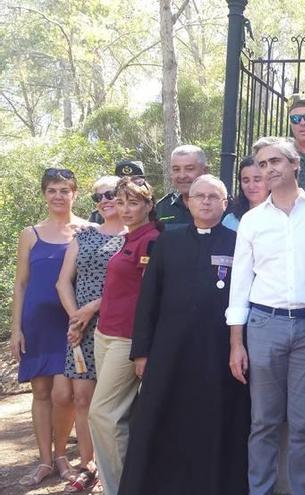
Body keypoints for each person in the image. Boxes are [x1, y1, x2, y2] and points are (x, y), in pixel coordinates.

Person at [119, 175, 249, 495]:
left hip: (217, 353)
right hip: (169, 353)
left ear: (225, 202)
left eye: (212, 197)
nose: (205, 201)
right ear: (188, 202)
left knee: (215, 424)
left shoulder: (239, 243)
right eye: (199, 196)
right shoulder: (167, 242)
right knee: (160, 423)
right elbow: (148, 298)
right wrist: (142, 352)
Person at [226, 137, 305, 495]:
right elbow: (239, 283)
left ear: (295, 164)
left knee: (303, 425)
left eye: (275, 161)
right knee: (264, 422)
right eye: (263, 164)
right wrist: (236, 343)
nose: (269, 169)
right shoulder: (252, 222)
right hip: (263, 325)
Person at [10, 168, 88, 487]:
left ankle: (61, 456)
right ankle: (44, 461)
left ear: (74, 193)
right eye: (52, 190)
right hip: (37, 323)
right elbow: (21, 283)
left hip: (71, 324)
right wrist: (16, 329)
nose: (58, 196)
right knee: (40, 392)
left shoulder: (87, 229)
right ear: (44, 194)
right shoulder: (31, 233)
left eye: (64, 190)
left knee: (65, 393)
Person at [88, 176, 161, 495]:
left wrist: (143, 348)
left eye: (134, 202)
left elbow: (152, 298)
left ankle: (122, 488)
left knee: (102, 414)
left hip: (127, 339)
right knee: (119, 416)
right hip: (104, 334)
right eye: (121, 202)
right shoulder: (127, 238)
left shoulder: (151, 240)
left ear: (149, 205)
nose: (126, 209)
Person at [55, 175, 126, 493]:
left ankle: (118, 465)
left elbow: (132, 286)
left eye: (112, 194)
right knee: (82, 397)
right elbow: (62, 282)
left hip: (117, 327)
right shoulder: (82, 236)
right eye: (99, 197)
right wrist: (75, 318)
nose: (106, 200)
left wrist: (89, 310)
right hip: (79, 330)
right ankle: (88, 464)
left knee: (114, 404)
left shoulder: (134, 235)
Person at [155, 144, 209, 229]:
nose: (182, 176)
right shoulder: (162, 208)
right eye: (176, 169)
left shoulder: (221, 207)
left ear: (205, 171)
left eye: (189, 169)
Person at [222, 155, 269, 231]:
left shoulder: (283, 216)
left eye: (257, 180)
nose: (251, 186)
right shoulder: (230, 220)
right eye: (246, 181)